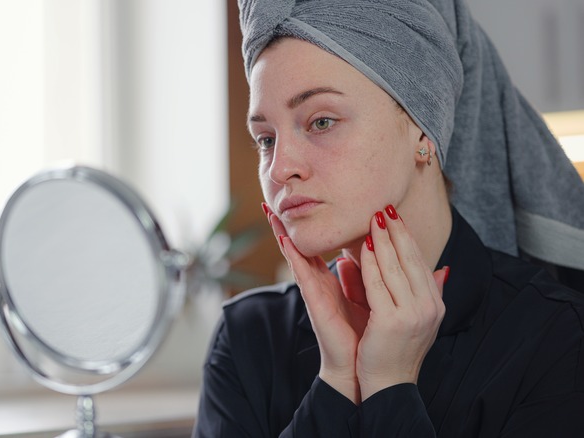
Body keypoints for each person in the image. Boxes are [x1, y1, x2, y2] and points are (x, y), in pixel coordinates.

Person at [193, 0, 584, 436]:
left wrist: (389, 386)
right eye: (266, 138)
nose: (281, 167)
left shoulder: (556, 337)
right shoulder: (248, 340)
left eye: (321, 121)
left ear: (422, 126)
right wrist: (338, 381)